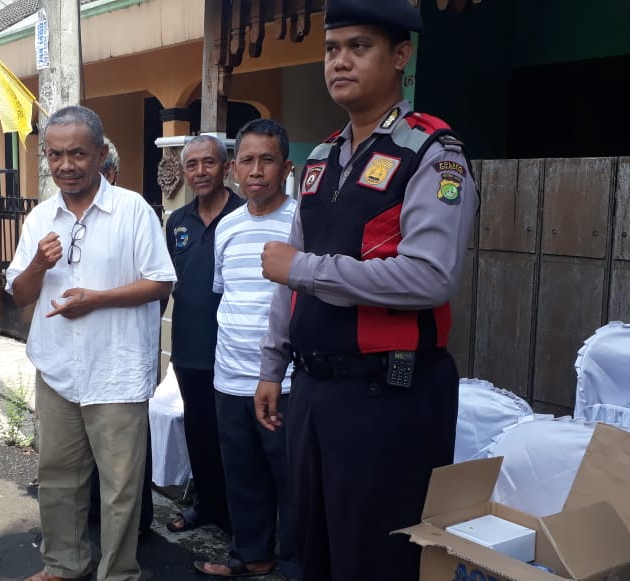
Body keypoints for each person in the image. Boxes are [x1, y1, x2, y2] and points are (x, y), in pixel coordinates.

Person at [253, 1, 480, 579]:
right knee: (316, 552)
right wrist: (272, 366)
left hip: (389, 398)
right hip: (314, 391)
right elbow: (289, 279)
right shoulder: (322, 157)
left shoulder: (432, 153)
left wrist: (305, 270)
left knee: (377, 561)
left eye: (360, 47)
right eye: (332, 49)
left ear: (401, 56)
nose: (340, 62)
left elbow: (430, 277)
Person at [6, 105, 175, 581]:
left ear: (100, 153)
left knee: (120, 487)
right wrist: (38, 265)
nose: (65, 165)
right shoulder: (41, 217)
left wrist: (97, 299)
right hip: (58, 369)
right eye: (55, 154)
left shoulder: (133, 210)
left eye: (77, 153)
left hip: (116, 371)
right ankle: (63, 563)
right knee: (59, 478)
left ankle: (117, 571)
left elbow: (160, 283)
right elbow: (18, 293)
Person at [193, 119, 299, 580]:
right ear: (234, 169)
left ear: (286, 167)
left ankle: (296, 564)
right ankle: (252, 556)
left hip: (284, 380)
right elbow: (225, 292)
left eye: (268, 160)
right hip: (229, 375)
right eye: (248, 161)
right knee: (243, 476)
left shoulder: (301, 223)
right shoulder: (227, 227)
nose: (256, 171)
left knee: (291, 478)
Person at [162, 134, 242, 534]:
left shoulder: (246, 215)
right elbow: (165, 282)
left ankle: (240, 516)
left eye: (208, 163)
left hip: (236, 349)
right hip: (190, 346)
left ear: (226, 167)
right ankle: (208, 505)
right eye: (191, 165)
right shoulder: (177, 222)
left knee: (235, 436)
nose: (200, 172)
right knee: (199, 429)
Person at [87, 137, 154, 536]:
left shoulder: (134, 212)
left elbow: (158, 285)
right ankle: (94, 519)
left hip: (121, 357)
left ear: (109, 172)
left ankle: (134, 529)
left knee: (125, 460)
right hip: (82, 359)